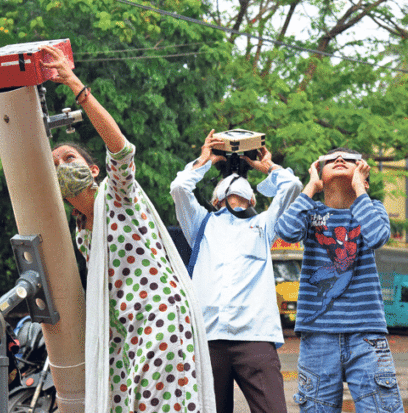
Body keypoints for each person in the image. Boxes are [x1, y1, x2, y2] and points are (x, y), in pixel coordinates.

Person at [40, 44, 216, 412]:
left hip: (159, 316)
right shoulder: (77, 229)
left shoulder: (117, 195)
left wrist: (74, 83)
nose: (61, 165)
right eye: (54, 163)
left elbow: (120, 149)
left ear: (93, 171)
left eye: (69, 157)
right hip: (121, 333)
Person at [170, 130, 303, 413]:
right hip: (209, 339)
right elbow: (180, 189)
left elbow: (291, 186)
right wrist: (205, 160)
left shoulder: (264, 226)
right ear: (215, 200)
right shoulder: (201, 225)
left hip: (255, 339)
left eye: (242, 194)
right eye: (227, 193)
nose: (234, 191)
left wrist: (264, 166)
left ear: (254, 200)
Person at [275, 148, 404, 412]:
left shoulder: (373, 209)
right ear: (320, 175)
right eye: (331, 159)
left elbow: (378, 236)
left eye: (349, 159)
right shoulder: (311, 215)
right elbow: (285, 231)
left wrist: (360, 190)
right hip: (317, 334)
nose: (339, 160)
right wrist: (310, 188)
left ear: (363, 175)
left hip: (367, 335)